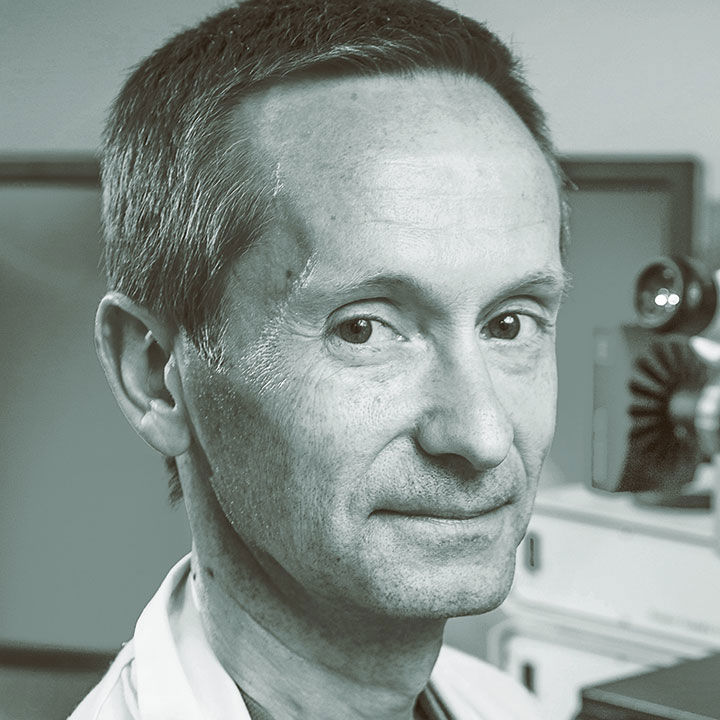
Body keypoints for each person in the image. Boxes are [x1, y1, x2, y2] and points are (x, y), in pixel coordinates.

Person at [72, 0, 569, 718]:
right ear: (155, 375)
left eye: (509, 323)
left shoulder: (508, 705)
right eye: (362, 329)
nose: (481, 435)